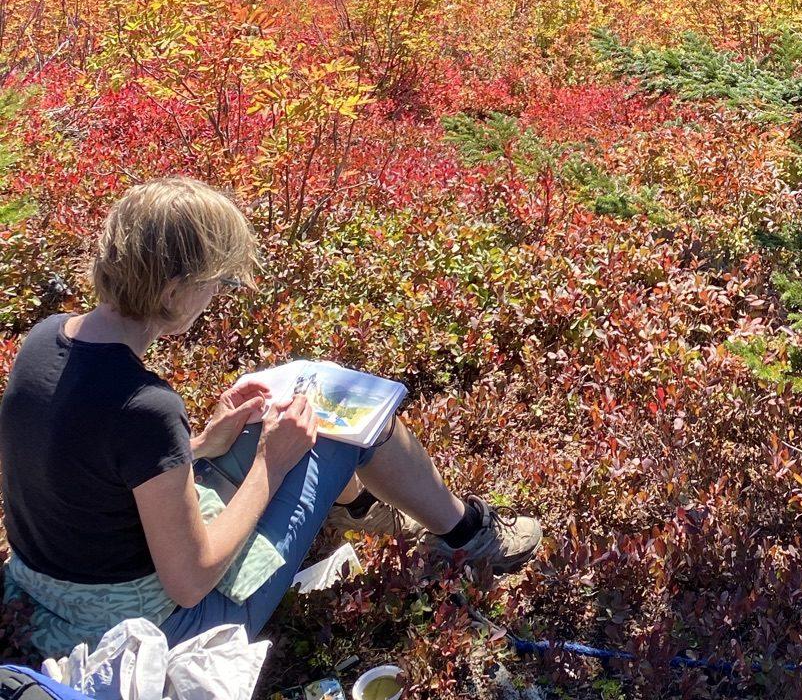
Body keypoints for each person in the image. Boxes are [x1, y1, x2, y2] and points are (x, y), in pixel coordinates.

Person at [0, 177, 541, 657]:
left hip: (41, 610)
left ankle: (364, 508)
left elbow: (89, 473)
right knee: (347, 425)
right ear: (173, 291)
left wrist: (203, 445)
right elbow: (190, 581)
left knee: (275, 423)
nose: (216, 294)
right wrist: (269, 464)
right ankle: (469, 534)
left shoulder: (45, 339)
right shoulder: (146, 407)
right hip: (159, 633)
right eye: (214, 282)